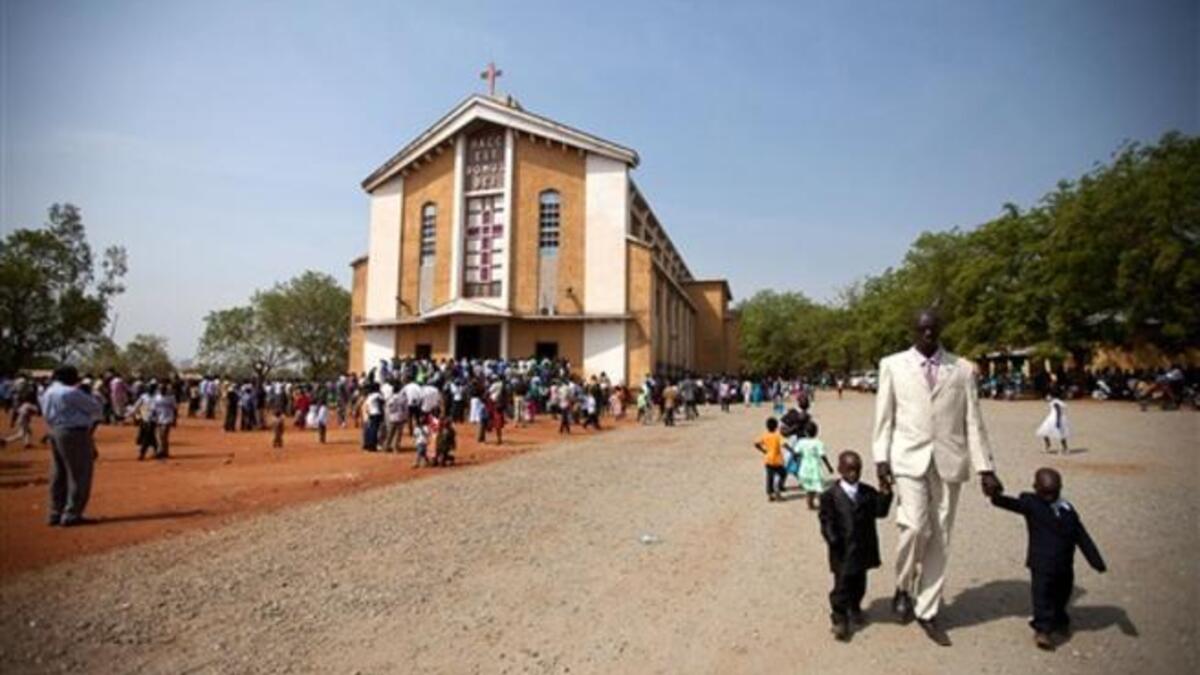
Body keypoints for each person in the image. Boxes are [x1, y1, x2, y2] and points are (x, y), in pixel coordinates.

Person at [872, 308, 1001, 646]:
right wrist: (880, 460)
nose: (928, 334)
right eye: (921, 329)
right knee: (914, 527)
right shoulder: (892, 365)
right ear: (913, 331)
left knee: (940, 534)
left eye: (933, 329)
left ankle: (927, 609)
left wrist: (985, 467)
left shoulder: (961, 368)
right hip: (907, 457)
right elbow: (884, 418)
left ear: (940, 330)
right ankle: (903, 585)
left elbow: (973, 421)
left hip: (949, 459)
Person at [990, 468, 1106, 650]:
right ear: (1035, 488)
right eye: (1045, 492)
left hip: (1065, 564)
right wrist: (995, 495)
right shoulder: (1031, 503)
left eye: (1054, 492)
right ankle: (1043, 630)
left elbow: (1082, 536)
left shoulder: (1068, 510)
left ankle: (1060, 620)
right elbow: (1009, 503)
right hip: (1041, 565)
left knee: (1062, 595)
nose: (1050, 497)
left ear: (1061, 488)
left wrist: (1095, 560)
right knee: (1042, 597)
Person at [819, 450, 893, 641]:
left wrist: (885, 493)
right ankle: (839, 617)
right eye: (849, 469)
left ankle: (855, 607)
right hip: (842, 551)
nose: (853, 474)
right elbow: (826, 520)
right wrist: (832, 538)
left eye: (857, 470)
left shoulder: (867, 492)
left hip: (862, 548)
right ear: (840, 469)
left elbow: (880, 511)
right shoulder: (830, 495)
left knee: (859, 583)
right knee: (842, 585)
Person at [40, 365, 102, 527]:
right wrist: (87, 393)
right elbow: (96, 408)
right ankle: (72, 514)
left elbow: (45, 413)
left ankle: (55, 512)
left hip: (55, 430)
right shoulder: (71, 392)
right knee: (79, 474)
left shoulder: (48, 392)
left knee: (58, 473)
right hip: (74, 433)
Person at [791, 421, 834, 510]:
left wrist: (796, 460)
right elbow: (823, 456)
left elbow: (795, 454)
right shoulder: (818, 443)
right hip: (815, 468)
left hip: (804, 468)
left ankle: (810, 505)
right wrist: (829, 466)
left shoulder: (801, 442)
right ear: (816, 432)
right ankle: (823, 505)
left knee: (809, 488)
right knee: (819, 488)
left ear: (805, 432)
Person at [754, 417, 786, 502]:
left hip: (768, 460)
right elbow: (784, 444)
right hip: (777, 460)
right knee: (783, 473)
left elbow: (756, 444)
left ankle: (770, 494)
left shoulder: (765, 435)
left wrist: (764, 451)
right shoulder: (777, 436)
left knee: (769, 477)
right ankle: (778, 488)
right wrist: (793, 451)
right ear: (776, 427)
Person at [1035, 390, 1070, 454]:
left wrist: (1058, 421)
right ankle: (1062, 448)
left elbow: (1058, 411)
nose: (1047, 397)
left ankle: (1063, 448)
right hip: (1054, 418)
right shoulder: (1056, 401)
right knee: (1047, 432)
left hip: (1054, 419)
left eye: (1048, 396)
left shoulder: (1055, 402)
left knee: (1058, 434)